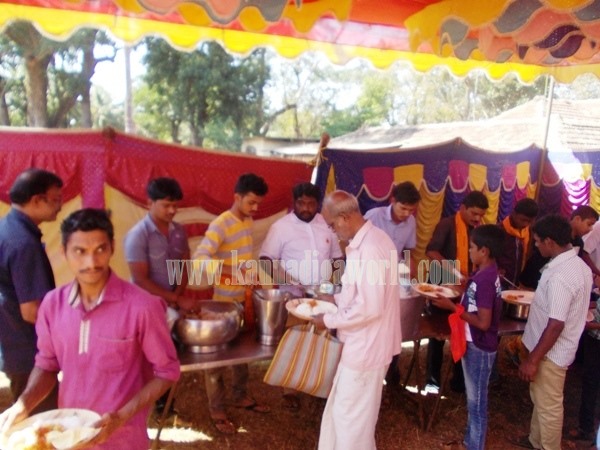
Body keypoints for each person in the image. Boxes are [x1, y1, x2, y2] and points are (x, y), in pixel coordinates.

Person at [0, 208, 180, 450]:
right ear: (64, 252)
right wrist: (23, 405)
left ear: (112, 248)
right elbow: (47, 364)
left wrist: (121, 417)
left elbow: (167, 372)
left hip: (124, 439)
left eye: (100, 250)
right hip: (71, 438)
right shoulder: (53, 305)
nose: (91, 262)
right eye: (80, 251)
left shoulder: (142, 306)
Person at [312, 190, 401, 450]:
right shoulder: (370, 241)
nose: (331, 231)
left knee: (352, 421)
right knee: (346, 415)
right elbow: (360, 295)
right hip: (362, 346)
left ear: (346, 217)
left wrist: (328, 320)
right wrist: (335, 301)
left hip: (367, 349)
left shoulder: (372, 248)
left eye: (331, 225)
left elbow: (369, 307)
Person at [193, 173, 270, 435]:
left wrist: (254, 279)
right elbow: (200, 259)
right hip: (223, 304)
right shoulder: (221, 224)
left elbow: (245, 259)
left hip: (243, 300)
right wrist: (231, 273)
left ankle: (240, 395)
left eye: (258, 203)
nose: (255, 208)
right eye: (251, 202)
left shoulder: (247, 221)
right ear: (236, 197)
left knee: (243, 354)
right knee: (217, 360)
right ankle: (216, 408)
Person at [259, 182, 343, 411]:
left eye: (310, 203)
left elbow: (337, 258)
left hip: (323, 295)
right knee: (295, 339)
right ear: (294, 202)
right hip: (293, 297)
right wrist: (287, 279)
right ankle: (291, 388)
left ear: (318, 204)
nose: (305, 208)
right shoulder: (281, 227)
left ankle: (319, 383)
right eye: (301, 203)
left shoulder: (327, 225)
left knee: (323, 339)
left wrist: (334, 283)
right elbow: (266, 260)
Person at [513, 215, 592, 450]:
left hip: (551, 354)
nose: (535, 245)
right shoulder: (576, 265)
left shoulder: (561, 275)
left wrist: (533, 359)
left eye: (537, 241)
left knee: (549, 407)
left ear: (549, 241)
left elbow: (556, 323)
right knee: (542, 399)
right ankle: (535, 441)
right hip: (552, 349)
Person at [431, 224, 504, 450]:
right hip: (476, 344)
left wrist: (451, 306)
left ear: (484, 251)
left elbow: (483, 322)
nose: (469, 251)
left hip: (479, 347)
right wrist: (463, 290)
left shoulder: (484, 279)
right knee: (475, 401)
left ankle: (474, 446)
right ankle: (469, 442)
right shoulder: (486, 273)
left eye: (472, 247)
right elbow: (476, 300)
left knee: (477, 403)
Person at [124, 177, 190, 414]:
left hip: (172, 304)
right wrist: (175, 299)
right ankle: (151, 407)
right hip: (146, 308)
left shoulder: (179, 231)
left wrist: (178, 295)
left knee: (170, 357)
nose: (172, 210)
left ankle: (166, 405)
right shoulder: (137, 235)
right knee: (151, 361)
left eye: (175, 206)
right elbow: (140, 279)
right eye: (166, 205)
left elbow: (184, 263)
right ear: (149, 202)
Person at [0, 168, 63, 414]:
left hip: (13, 345)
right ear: (37, 200)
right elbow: (32, 311)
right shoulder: (23, 243)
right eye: (56, 199)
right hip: (29, 352)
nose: (60, 206)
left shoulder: (8, 227)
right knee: (40, 425)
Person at [425, 190, 489, 393]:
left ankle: (458, 381)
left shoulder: (479, 230)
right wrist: (454, 272)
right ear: (462, 208)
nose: (477, 218)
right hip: (441, 286)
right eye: (474, 213)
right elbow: (431, 251)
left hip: (464, 289)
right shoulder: (446, 224)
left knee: (462, 331)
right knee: (436, 335)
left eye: (480, 215)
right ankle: (433, 381)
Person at [364, 181, 420, 387]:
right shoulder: (373, 216)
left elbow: (407, 251)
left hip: (394, 280)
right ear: (392, 201)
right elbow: (356, 246)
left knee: (395, 325)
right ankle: (371, 371)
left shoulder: (411, 222)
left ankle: (391, 370)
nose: (406, 213)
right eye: (403, 208)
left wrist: (410, 268)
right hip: (370, 279)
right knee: (373, 325)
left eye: (411, 210)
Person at [520, 205, 599, 289]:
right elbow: (536, 261)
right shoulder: (556, 236)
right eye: (589, 224)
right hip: (535, 279)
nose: (591, 229)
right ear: (577, 219)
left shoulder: (579, 242)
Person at [496, 198, 538, 290]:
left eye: (530, 221)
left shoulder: (529, 233)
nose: (526, 224)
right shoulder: (499, 231)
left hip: (517, 283)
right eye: (523, 220)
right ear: (514, 213)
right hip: (499, 282)